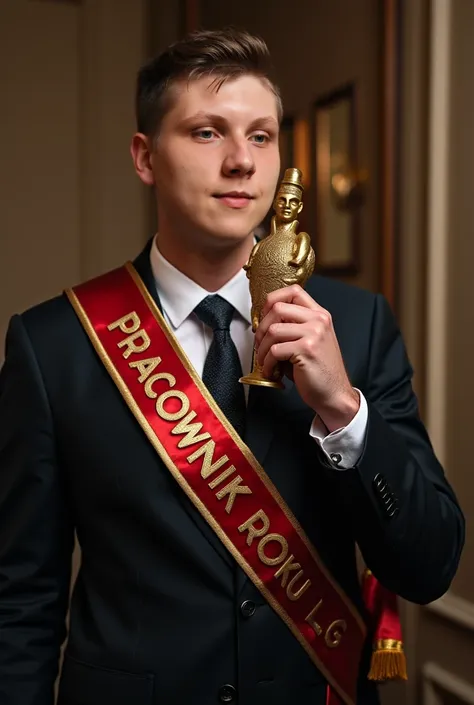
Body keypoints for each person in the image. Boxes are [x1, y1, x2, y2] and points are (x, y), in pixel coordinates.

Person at [0, 28, 464, 705]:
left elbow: (429, 567)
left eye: (262, 136)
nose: (242, 162)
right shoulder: (55, 345)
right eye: (207, 133)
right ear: (145, 156)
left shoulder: (358, 326)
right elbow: (20, 602)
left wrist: (344, 409)